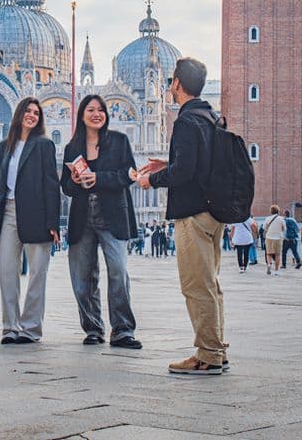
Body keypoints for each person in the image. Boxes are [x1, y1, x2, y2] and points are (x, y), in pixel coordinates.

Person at [137, 57, 228, 375]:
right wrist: (169, 163)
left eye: (171, 81)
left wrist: (153, 179)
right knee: (210, 284)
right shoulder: (210, 116)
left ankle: (208, 355)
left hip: (193, 213)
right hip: (212, 211)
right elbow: (198, 164)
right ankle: (217, 347)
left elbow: (186, 172)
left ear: (176, 83)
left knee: (195, 285)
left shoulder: (187, 121)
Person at [60, 94, 142, 349]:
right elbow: (65, 186)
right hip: (82, 216)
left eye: (101, 110)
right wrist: (74, 181)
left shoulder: (118, 141)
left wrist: (99, 178)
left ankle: (122, 330)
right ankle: (93, 328)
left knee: (118, 272)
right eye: (90, 110)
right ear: (81, 115)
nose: (96, 114)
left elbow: (130, 174)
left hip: (112, 214)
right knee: (82, 277)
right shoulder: (72, 148)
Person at [0, 97, 60, 345]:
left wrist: (53, 222)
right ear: (19, 114)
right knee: (7, 271)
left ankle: (31, 327)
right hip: (7, 213)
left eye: (36, 113)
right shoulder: (4, 146)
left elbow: (51, 185)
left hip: (36, 213)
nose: (32, 115)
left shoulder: (44, 145)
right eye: (27, 111)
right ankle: (10, 326)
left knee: (37, 272)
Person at [263, 205, 285, 276]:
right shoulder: (281, 219)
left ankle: (269, 265)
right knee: (277, 255)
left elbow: (264, 228)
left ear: (271, 211)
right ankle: (276, 271)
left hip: (269, 237)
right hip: (278, 238)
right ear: (278, 211)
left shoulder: (267, 218)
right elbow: (284, 229)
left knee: (269, 254)